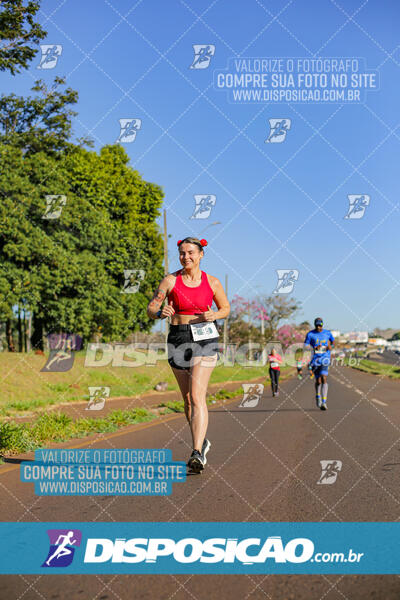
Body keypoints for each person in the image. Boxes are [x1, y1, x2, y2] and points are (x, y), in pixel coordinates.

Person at [147, 237, 230, 473]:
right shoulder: (170, 281)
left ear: (201, 254)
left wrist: (215, 315)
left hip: (204, 338)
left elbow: (225, 308)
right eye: (182, 253)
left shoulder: (212, 282)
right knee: (187, 401)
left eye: (191, 253)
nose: (186, 257)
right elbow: (151, 307)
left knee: (196, 395)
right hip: (178, 337)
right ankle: (201, 441)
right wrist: (160, 311)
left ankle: (196, 454)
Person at [304, 318, 335, 410]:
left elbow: (333, 342)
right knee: (318, 381)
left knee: (324, 377)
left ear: (322, 325)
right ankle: (318, 397)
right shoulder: (310, 334)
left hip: (325, 359)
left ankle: (324, 402)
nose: (318, 327)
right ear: (314, 325)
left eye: (320, 325)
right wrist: (313, 348)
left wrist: (330, 346)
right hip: (315, 360)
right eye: (317, 325)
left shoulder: (327, 333)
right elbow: (305, 347)